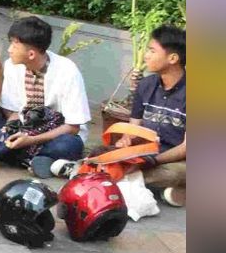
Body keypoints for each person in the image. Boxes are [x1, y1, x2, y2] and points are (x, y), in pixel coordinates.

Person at [79, 25, 186, 207]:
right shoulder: (146, 84)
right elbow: (134, 128)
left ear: (173, 58)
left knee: (172, 173)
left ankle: (110, 179)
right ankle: (153, 188)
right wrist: (126, 141)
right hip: (146, 152)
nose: (146, 56)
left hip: (177, 159)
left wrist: (152, 160)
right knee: (99, 153)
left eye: (152, 51)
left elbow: (186, 148)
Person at [0, 16, 90, 177]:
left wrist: (31, 140)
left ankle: (10, 153)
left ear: (31, 54)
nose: (9, 49)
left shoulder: (67, 71)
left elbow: (72, 127)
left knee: (68, 145)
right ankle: (40, 161)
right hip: (23, 128)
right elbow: (12, 112)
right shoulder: (12, 66)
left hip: (54, 134)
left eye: (14, 44)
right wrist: (10, 130)